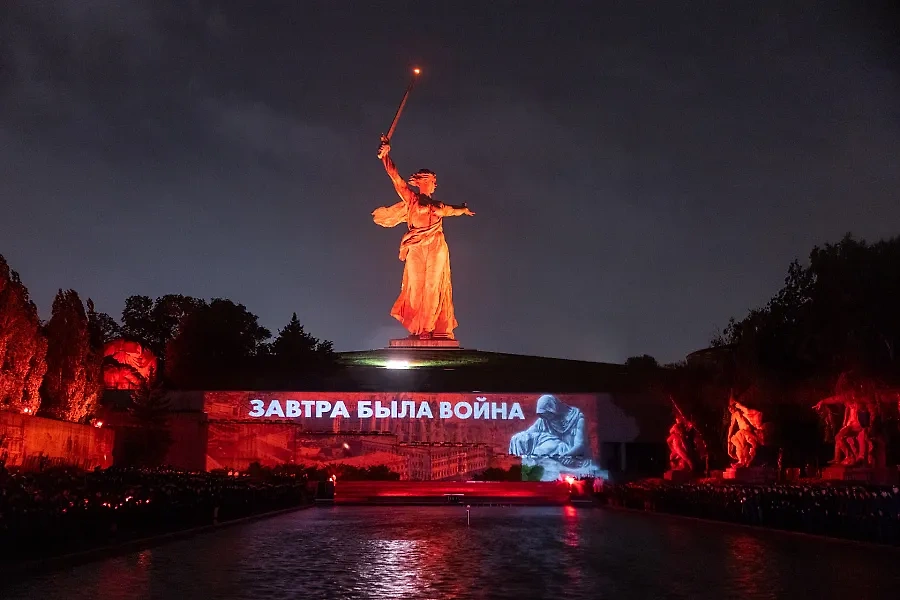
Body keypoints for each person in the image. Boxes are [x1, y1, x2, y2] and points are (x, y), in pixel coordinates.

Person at [372, 137, 474, 340]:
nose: (434, 185)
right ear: (423, 182)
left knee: (433, 286)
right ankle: (417, 329)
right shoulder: (411, 200)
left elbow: (451, 211)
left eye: (434, 182)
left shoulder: (438, 205)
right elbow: (396, 179)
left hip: (436, 245)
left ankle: (428, 328)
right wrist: (386, 156)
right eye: (431, 181)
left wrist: (463, 210)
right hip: (416, 246)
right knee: (416, 287)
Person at [509, 395, 591, 468]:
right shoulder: (545, 419)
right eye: (543, 415)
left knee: (542, 450)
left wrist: (566, 455)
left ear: (554, 408)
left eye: (548, 414)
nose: (546, 418)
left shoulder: (577, 418)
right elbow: (529, 433)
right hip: (557, 455)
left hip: (572, 454)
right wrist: (517, 439)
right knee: (521, 440)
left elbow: (580, 445)